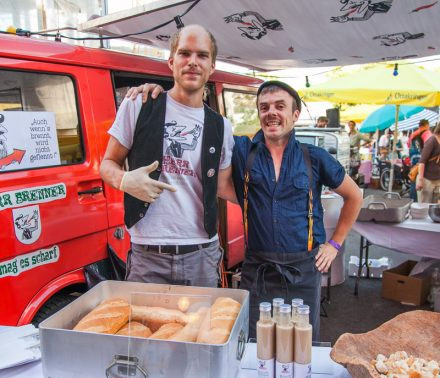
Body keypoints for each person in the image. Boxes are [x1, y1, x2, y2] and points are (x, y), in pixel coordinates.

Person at [129, 81, 363, 341]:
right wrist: (162, 94)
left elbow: (354, 196)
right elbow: (201, 122)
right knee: (253, 346)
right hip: (258, 271)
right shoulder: (241, 149)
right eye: (264, 107)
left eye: (279, 106)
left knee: (301, 346)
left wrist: (335, 245)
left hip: (303, 272)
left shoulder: (315, 157)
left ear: (295, 115)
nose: (271, 112)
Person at [100, 24, 236, 287]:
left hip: (201, 253)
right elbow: (107, 164)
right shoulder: (139, 105)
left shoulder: (221, 126)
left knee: (201, 328)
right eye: (185, 54)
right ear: (172, 62)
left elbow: (223, 186)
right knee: (143, 328)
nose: (192, 62)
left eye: (202, 55)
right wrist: (124, 180)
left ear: (212, 66)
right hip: (148, 254)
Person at [416, 122, 440, 203]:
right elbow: (422, 161)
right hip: (426, 179)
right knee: (424, 209)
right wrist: (420, 180)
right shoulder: (432, 140)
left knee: (435, 210)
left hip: (437, 179)